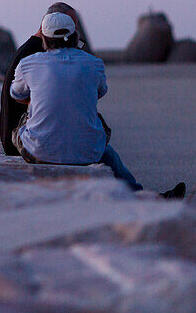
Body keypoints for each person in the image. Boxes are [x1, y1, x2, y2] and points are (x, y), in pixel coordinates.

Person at [9, 11, 185, 199]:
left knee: (21, 124)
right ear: (75, 36)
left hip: (38, 152)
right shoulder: (94, 63)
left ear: (43, 38)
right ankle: (145, 197)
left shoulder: (27, 64)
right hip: (88, 153)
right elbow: (99, 92)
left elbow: (17, 95)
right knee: (104, 144)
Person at [0, 1, 92, 156]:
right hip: (22, 142)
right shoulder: (36, 56)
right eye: (71, 24)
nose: (74, 29)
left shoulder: (30, 50)